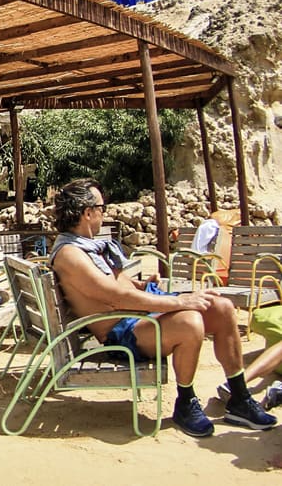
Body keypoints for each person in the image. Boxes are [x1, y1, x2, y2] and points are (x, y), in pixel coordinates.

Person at [49, 178, 275, 436]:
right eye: (103, 207)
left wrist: (141, 284)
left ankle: (239, 397)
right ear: (87, 213)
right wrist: (179, 301)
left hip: (136, 319)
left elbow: (109, 288)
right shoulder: (70, 253)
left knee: (221, 307)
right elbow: (114, 298)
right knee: (189, 321)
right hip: (122, 336)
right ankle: (185, 403)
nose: (105, 212)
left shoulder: (84, 247)